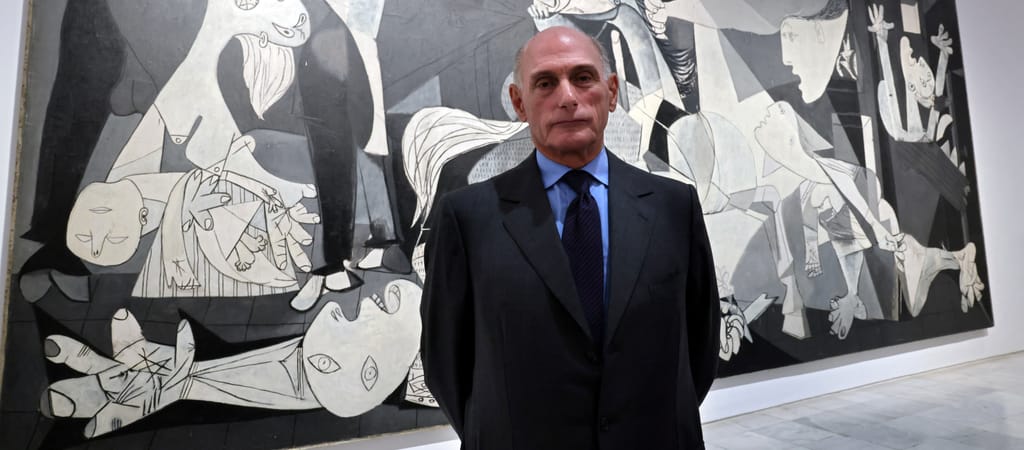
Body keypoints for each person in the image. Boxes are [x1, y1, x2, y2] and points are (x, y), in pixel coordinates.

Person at [420, 26, 721, 449]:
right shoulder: (469, 217)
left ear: (611, 92)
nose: (567, 97)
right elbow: (445, 360)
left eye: (582, 77)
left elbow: (700, 345)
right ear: (519, 103)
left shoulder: (673, 207)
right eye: (545, 83)